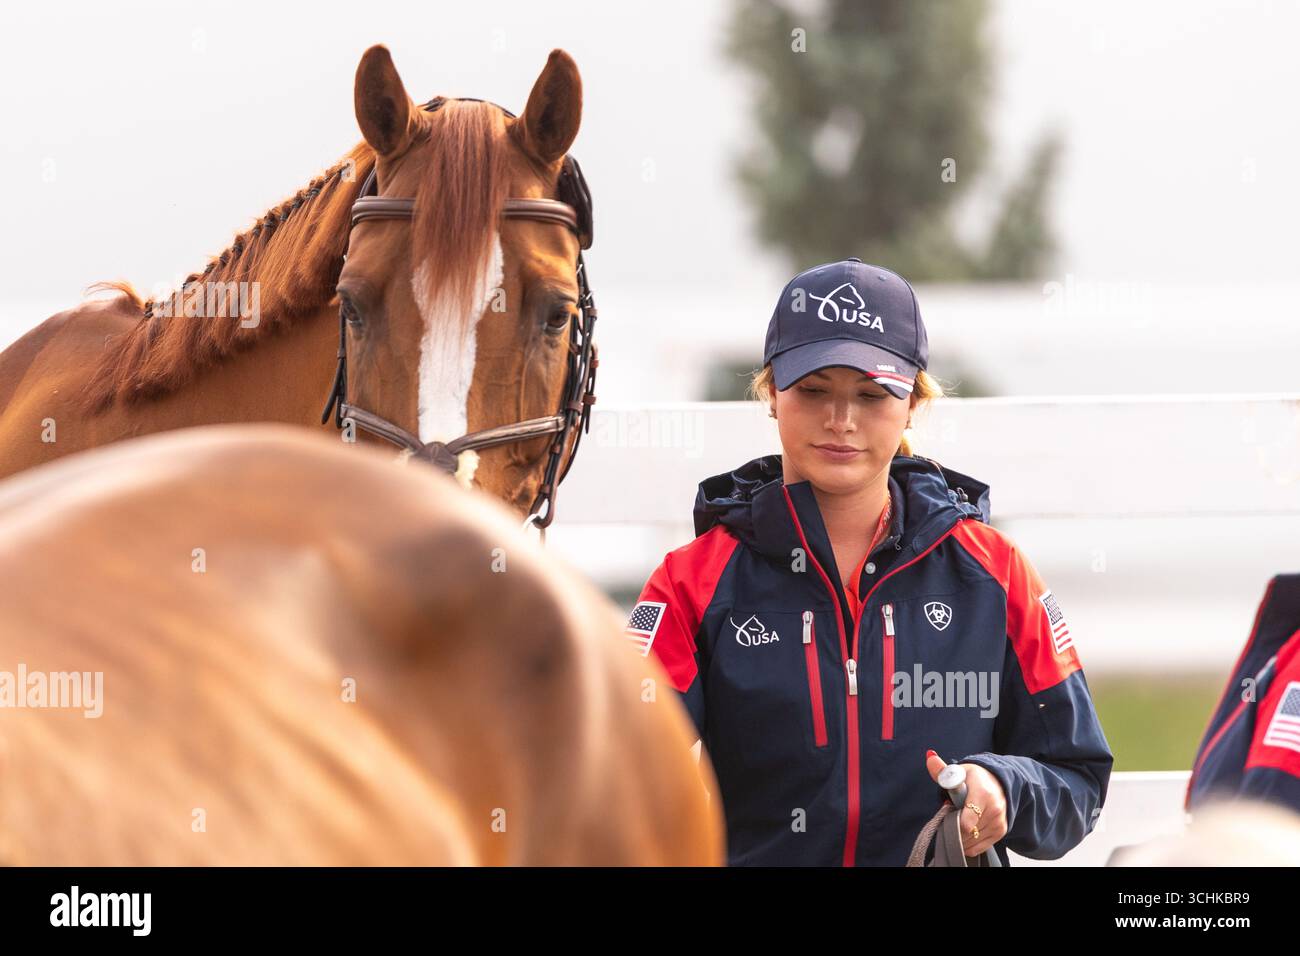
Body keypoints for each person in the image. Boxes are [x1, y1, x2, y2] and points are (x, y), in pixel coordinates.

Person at [625, 257, 1114, 866]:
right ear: (772, 393)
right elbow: (614, 769)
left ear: (913, 404)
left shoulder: (996, 572)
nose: (841, 420)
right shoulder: (691, 581)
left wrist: (1003, 788)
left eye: (872, 394)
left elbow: (1078, 778)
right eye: (813, 389)